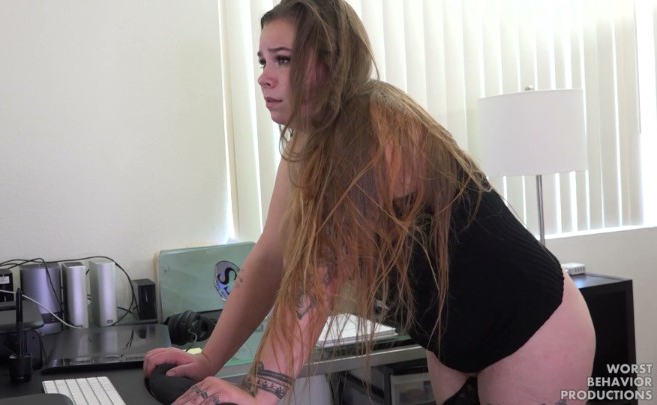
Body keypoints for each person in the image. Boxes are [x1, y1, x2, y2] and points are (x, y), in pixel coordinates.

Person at [144, 0, 596, 404]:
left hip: (534, 327)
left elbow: (320, 271)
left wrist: (259, 396)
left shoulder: (374, 123)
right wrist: (208, 359)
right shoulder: (305, 146)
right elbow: (270, 258)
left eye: (283, 59)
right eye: (263, 61)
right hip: (454, 342)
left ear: (330, 63)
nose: (264, 76)